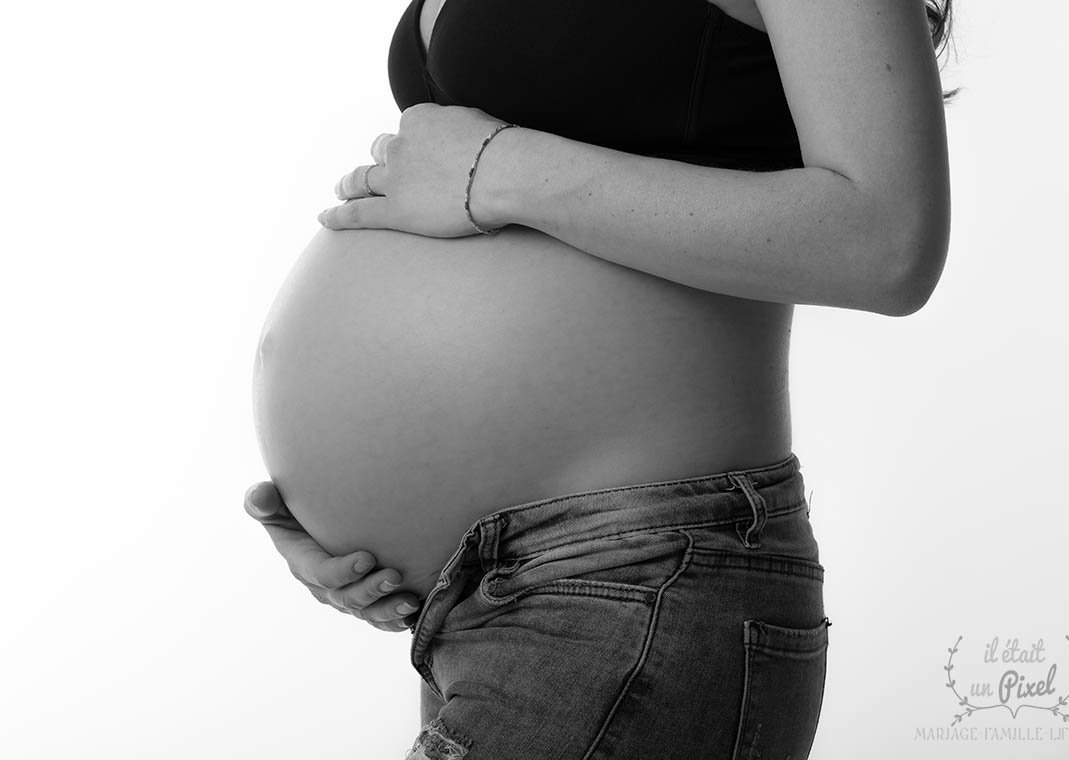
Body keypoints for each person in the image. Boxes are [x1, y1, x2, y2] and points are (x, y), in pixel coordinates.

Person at [246, 1, 955, 757]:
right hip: (485, 595)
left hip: (637, 574)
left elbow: (887, 242)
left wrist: (504, 170)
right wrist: (353, 520)